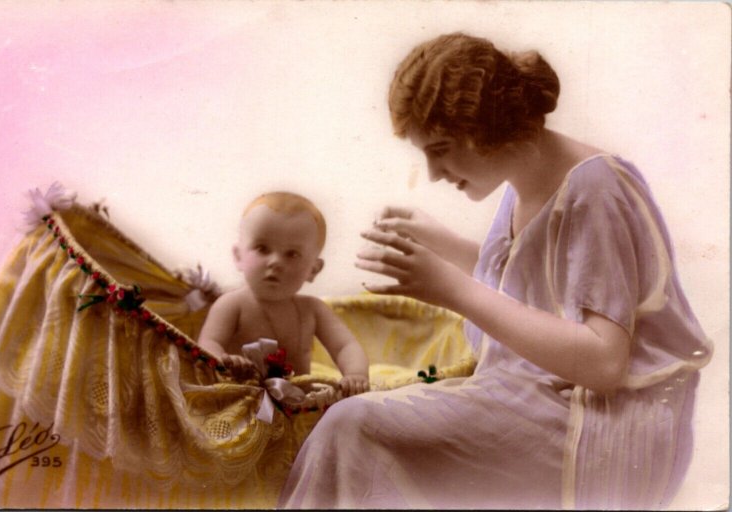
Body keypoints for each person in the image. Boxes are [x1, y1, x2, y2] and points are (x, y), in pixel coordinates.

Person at [277, 33, 712, 509]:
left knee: (352, 425)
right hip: (548, 401)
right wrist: (442, 244)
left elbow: (605, 363)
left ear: (487, 127)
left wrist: (454, 290)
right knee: (359, 421)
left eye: (440, 148)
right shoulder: (523, 182)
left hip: (600, 427)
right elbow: (540, 293)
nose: (435, 173)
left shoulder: (595, 188)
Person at [198, 191, 370, 397]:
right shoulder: (231, 304)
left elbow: (345, 345)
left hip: (298, 405)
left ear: (313, 270)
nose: (276, 262)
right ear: (238, 256)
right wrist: (225, 361)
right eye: (262, 248)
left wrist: (356, 374)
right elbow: (208, 344)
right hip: (240, 398)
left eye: (292, 254)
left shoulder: (312, 309)